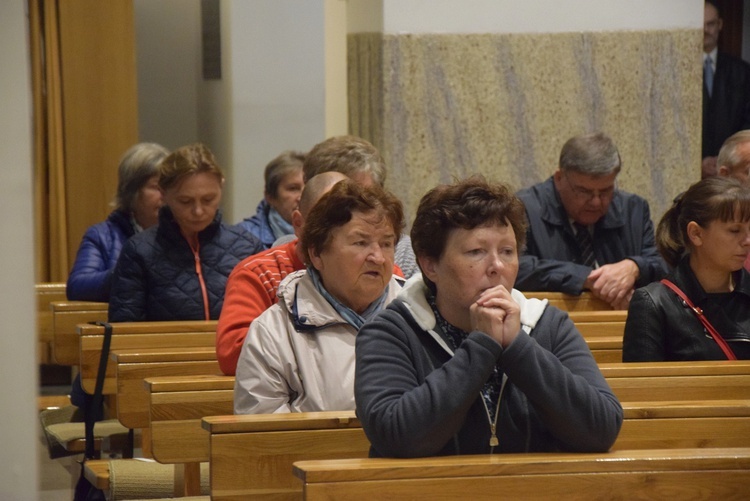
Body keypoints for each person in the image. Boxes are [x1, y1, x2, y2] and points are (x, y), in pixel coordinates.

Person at [354, 177, 622, 458]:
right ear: (430, 265)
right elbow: (395, 437)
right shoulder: (390, 331)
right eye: (476, 252)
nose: (497, 266)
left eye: (507, 252)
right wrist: (482, 345)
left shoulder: (548, 324)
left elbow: (601, 430)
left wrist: (517, 346)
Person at [234, 179, 405, 414]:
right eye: (360, 242)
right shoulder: (274, 331)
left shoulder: (422, 312)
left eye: (387, 243)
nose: (378, 257)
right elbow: (262, 435)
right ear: (316, 254)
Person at [108, 143, 263, 322]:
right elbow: (125, 330)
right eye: (185, 201)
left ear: (221, 187)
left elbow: (266, 323)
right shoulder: (139, 251)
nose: (198, 211)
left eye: (208, 199)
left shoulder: (247, 247)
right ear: (163, 194)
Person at [216, 171, 349, 375]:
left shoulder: (378, 271)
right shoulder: (256, 273)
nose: (335, 236)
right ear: (298, 223)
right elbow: (234, 355)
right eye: (324, 223)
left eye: (346, 225)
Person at [515, 132, 666, 309]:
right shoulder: (524, 209)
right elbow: (515, 268)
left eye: (605, 191)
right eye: (583, 191)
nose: (596, 202)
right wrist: (585, 277)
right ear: (559, 178)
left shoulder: (633, 209)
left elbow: (664, 264)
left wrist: (635, 267)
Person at [623, 177, 750, 362]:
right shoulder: (653, 304)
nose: (747, 241)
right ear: (696, 234)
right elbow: (644, 389)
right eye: (735, 230)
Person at [302, 135, 419, 279]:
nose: (378, 258)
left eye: (364, 197)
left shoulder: (405, 254)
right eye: (338, 201)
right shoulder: (279, 261)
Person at [66, 142, 168, 301]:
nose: (165, 195)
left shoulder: (185, 231)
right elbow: (77, 287)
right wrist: (130, 272)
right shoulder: (102, 236)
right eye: (156, 187)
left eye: (168, 187)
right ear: (132, 191)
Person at [702, 1, 750, 178]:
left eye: (711, 24)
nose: (705, 30)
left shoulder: (741, 71)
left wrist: (728, 158)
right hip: (691, 167)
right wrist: (700, 161)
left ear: (720, 25)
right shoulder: (680, 71)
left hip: (733, 170)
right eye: (701, 24)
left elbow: (747, 119)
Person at [237, 150, 305, 249]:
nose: (302, 197)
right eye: (293, 188)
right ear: (270, 197)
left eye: (308, 188)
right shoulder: (244, 236)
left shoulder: (325, 231)